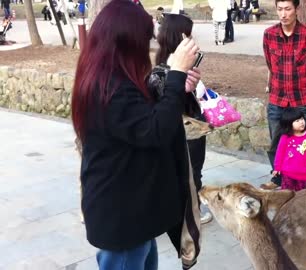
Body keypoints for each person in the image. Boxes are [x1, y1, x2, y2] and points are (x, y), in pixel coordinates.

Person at [71, 1, 202, 269]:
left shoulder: (107, 76)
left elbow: (142, 119)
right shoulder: (110, 88)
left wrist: (177, 86)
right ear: (127, 41)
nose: (147, 48)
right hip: (121, 217)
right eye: (144, 40)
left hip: (132, 210)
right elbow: (156, 131)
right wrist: (176, 74)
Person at [153, 13, 213, 224]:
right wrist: (187, 87)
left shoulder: (160, 60)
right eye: (190, 34)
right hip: (187, 129)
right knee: (191, 171)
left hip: (174, 128)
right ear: (181, 36)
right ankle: (191, 211)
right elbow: (175, 98)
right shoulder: (176, 66)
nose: (193, 39)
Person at [260, 0, 306, 190]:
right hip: (277, 99)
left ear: (297, 9)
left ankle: (299, 182)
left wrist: (303, 89)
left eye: (287, 9)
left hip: (300, 100)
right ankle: (278, 179)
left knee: (300, 145)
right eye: (279, 9)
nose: (283, 14)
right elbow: (270, 64)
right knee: (276, 143)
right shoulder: (269, 34)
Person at [272, 108, 306, 191]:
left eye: (302, 119)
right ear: (288, 124)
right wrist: (277, 168)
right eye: (297, 121)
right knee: (286, 194)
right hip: (287, 172)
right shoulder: (285, 137)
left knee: (300, 196)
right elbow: (280, 153)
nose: (301, 122)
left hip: (303, 173)